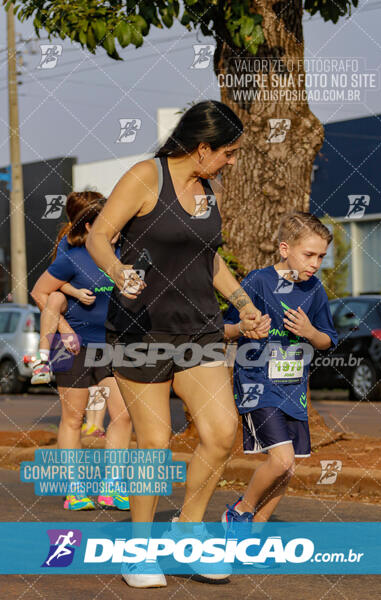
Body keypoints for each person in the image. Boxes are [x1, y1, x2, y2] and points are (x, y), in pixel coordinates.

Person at [86, 99, 269, 588]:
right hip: (139, 331)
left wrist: (243, 303)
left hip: (199, 327)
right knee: (154, 440)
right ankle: (139, 551)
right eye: (228, 153)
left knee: (220, 430)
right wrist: (118, 272)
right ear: (203, 147)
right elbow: (100, 236)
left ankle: (188, 529)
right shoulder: (146, 176)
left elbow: (210, 258)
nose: (231, 162)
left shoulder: (209, 191)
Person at [222, 211, 338, 524]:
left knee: (289, 465)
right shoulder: (258, 281)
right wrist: (245, 327)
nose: (315, 263)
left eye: (321, 257)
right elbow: (226, 327)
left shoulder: (315, 290)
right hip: (257, 385)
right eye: (309, 255)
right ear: (285, 249)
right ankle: (240, 511)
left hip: (293, 390)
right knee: (282, 458)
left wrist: (311, 332)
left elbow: (328, 339)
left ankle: (254, 534)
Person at [31, 200, 132, 511]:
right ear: (89, 227)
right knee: (73, 418)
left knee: (124, 415)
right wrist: (63, 327)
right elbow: (39, 292)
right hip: (71, 346)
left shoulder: (122, 257)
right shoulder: (72, 258)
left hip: (110, 345)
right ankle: (75, 490)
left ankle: (111, 488)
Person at [31, 191, 104, 385]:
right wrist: (75, 293)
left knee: (99, 396)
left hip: (102, 335)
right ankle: (42, 358)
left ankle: (94, 417)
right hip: (68, 302)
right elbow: (55, 281)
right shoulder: (69, 242)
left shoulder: (111, 242)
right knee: (54, 298)